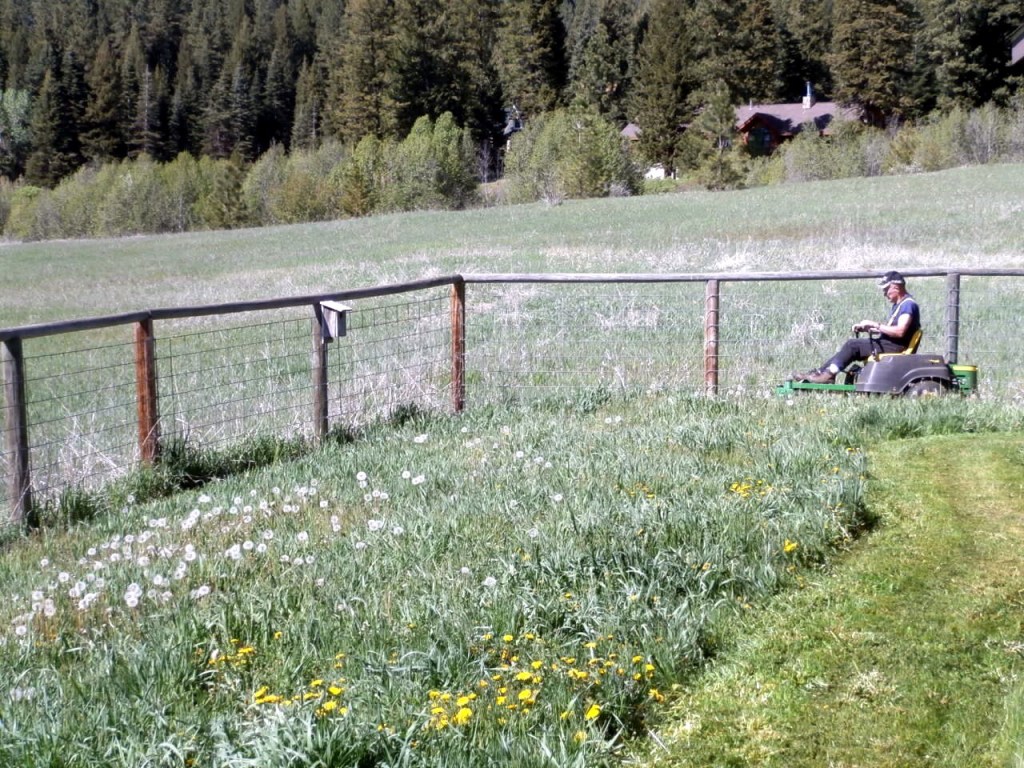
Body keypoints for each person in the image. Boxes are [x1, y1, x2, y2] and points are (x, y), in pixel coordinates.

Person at [795, 271, 921, 384]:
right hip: (891, 343)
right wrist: (868, 328)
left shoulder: (908, 305)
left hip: (895, 347)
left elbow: (900, 331)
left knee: (853, 345)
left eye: (886, 289)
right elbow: (892, 331)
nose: (884, 294)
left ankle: (828, 375)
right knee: (852, 345)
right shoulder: (900, 304)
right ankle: (820, 373)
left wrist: (875, 325)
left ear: (895, 287)